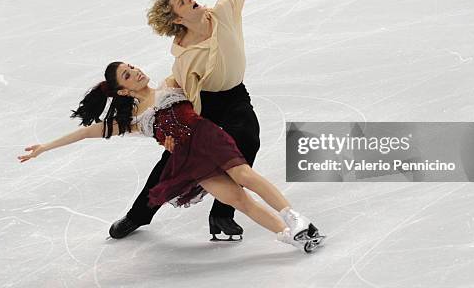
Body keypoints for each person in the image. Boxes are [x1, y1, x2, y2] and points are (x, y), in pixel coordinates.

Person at [111, 0, 293, 242]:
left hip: (235, 98)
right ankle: (139, 215)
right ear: (177, 19)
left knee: (247, 142)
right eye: (182, 2)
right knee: (171, 163)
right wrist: (175, 129)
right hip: (201, 106)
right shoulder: (183, 56)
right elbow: (178, 87)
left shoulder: (224, 12)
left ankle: (222, 214)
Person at [18, 62, 325, 252]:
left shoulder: (170, 83)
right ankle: (290, 236)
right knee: (237, 199)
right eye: (128, 74)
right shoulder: (134, 121)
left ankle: (294, 217)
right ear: (123, 91)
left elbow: (198, 64)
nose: (136, 71)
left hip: (210, 140)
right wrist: (44, 147)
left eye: (133, 67)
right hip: (190, 162)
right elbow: (87, 132)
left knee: (244, 176)